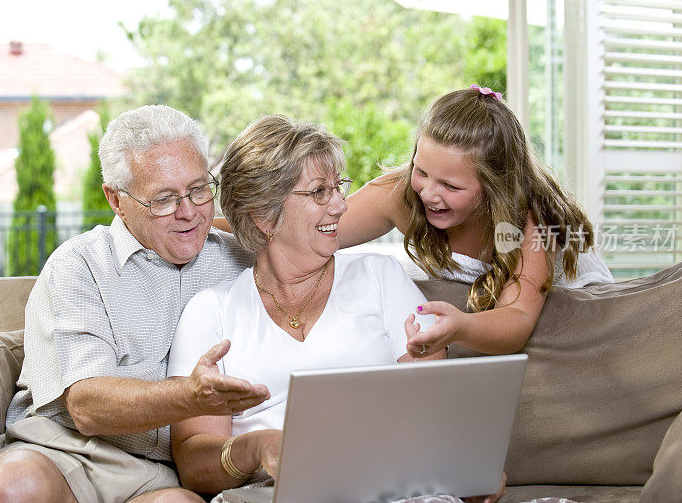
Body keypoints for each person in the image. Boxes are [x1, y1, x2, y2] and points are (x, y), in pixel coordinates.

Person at [0, 105, 270, 503]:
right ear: (117, 200)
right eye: (164, 199)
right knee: (14, 487)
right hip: (65, 449)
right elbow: (87, 407)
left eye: (199, 190)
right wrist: (190, 396)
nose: (189, 213)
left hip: (163, 474)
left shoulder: (243, 261)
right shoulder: (79, 266)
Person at [165, 115, 462, 499]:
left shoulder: (380, 277)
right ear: (263, 215)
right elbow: (193, 465)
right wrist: (257, 448)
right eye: (320, 192)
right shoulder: (212, 311)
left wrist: (463, 467)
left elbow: (437, 413)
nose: (340, 205)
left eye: (339, 187)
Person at [338, 85, 614, 358]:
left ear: (495, 187)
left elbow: (516, 318)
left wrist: (461, 327)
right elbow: (314, 231)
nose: (429, 194)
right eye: (421, 170)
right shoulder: (399, 194)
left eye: (451, 186)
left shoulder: (531, 220)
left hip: (571, 319)